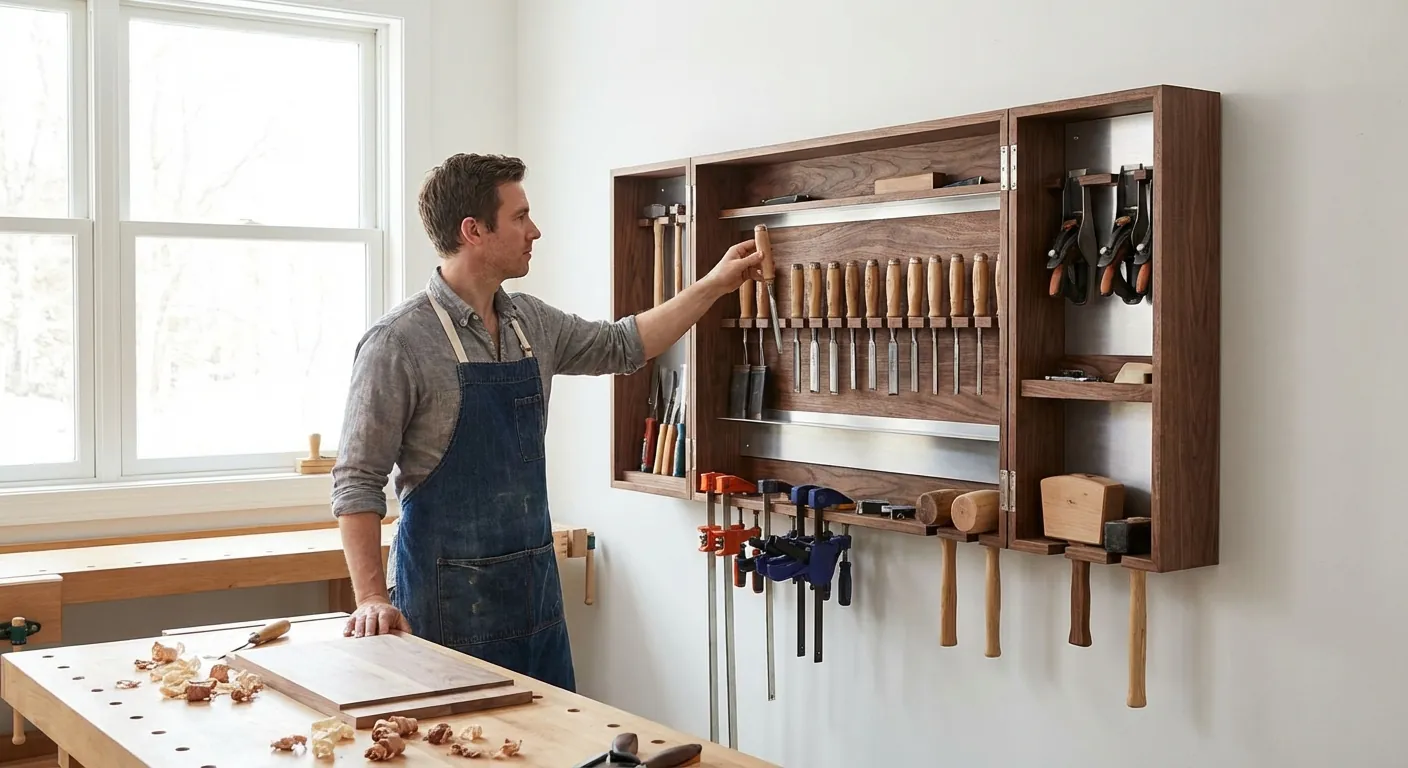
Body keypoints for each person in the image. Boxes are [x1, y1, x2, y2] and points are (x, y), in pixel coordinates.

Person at [330, 153, 761, 693]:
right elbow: (356, 480)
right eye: (520, 217)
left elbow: (624, 344)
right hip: (445, 606)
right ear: (474, 231)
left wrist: (715, 285)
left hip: (534, 595)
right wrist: (371, 597)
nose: (535, 231)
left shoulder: (530, 321)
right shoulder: (398, 343)